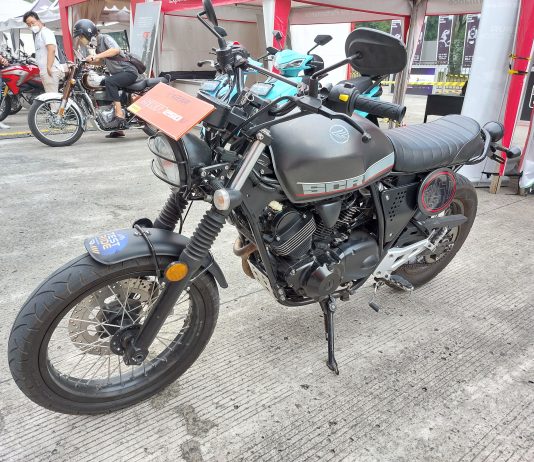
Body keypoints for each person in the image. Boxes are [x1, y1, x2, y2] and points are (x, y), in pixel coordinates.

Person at [73, 19, 138, 135]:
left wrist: (96, 56)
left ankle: (119, 115)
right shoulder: (98, 45)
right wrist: (87, 61)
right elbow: (103, 62)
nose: (81, 39)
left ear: (88, 32)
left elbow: (115, 50)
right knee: (103, 83)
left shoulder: (105, 38)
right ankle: (117, 127)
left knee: (110, 82)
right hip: (119, 74)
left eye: (81, 36)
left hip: (128, 72)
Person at [23, 11, 63, 94]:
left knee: (52, 97)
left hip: (50, 70)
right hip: (44, 70)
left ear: (39, 20)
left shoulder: (46, 32)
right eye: (28, 25)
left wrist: (48, 67)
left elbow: (51, 49)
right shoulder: (38, 34)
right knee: (50, 95)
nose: (31, 26)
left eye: (32, 22)